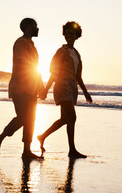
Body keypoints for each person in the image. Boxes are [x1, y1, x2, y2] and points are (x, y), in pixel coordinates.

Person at [38, 21, 92, 158]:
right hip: (62, 85)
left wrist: (86, 93)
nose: (69, 36)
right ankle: (72, 150)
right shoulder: (61, 52)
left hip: (72, 87)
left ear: (76, 36)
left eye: (72, 34)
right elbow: (54, 72)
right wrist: (45, 89)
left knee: (65, 119)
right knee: (72, 117)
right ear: (64, 35)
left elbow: (78, 76)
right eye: (67, 33)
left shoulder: (77, 54)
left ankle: (42, 136)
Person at [0, 18, 44, 159]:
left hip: (31, 88)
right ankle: (1, 137)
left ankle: (26, 151)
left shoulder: (31, 44)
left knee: (30, 119)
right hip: (20, 87)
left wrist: (40, 86)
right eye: (35, 26)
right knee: (23, 118)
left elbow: (35, 67)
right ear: (28, 27)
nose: (37, 28)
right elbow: (26, 64)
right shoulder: (21, 43)